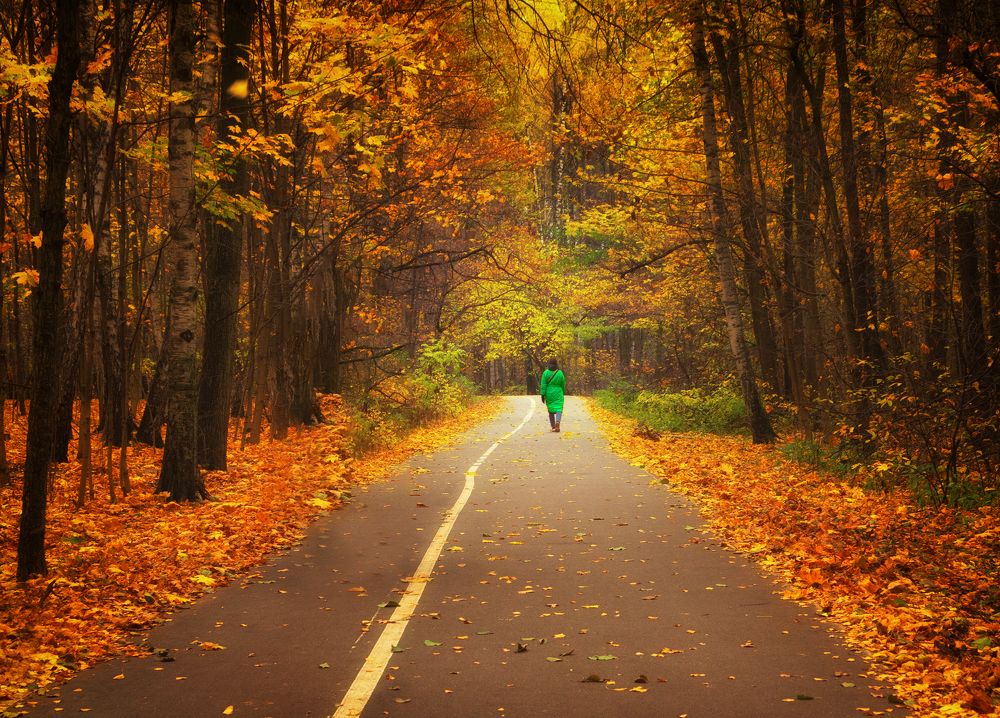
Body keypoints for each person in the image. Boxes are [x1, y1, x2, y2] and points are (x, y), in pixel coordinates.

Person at [539, 358, 566, 432]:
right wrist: (562, 392)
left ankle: (553, 426)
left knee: (550, 409)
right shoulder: (560, 373)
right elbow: (563, 384)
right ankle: (558, 422)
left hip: (549, 392)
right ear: (556, 364)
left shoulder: (546, 373)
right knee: (559, 408)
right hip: (558, 392)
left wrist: (542, 394)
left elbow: (543, 384)